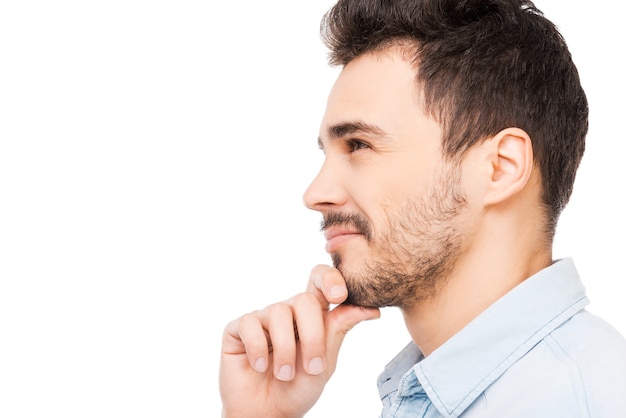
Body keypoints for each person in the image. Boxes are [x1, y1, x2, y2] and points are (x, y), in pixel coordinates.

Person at [219, 0, 626, 416]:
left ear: (500, 168)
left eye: (358, 144)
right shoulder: (450, 391)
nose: (315, 193)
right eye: (328, 153)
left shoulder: (573, 403)